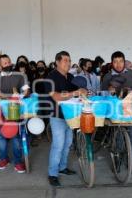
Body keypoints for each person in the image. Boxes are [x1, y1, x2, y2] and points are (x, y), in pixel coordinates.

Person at [45, 51, 87, 186]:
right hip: (57, 115)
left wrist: (83, 90)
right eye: (65, 60)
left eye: (69, 61)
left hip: (70, 116)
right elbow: (56, 96)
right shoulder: (50, 77)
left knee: (68, 144)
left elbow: (77, 89)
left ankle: (62, 168)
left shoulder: (69, 76)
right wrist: (75, 93)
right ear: (57, 62)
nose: (68, 63)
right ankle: (52, 174)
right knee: (58, 145)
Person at [101, 51, 132, 174]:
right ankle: (117, 162)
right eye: (115, 61)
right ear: (112, 63)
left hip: (130, 112)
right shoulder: (107, 76)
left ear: (124, 62)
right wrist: (110, 92)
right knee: (118, 138)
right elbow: (103, 95)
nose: (118, 64)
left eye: (121, 61)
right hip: (116, 113)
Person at [0, 54, 28, 173]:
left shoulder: (20, 75)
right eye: (5, 63)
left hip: (15, 107)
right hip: (1, 108)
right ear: (0, 66)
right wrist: (11, 96)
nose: (8, 64)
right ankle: (4, 158)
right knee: (0, 135)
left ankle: (18, 162)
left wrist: (21, 95)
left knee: (16, 136)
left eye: (9, 62)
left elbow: (27, 91)